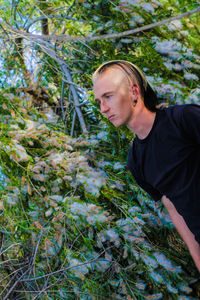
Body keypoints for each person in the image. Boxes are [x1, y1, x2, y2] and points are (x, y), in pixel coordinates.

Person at [92, 60, 200, 272]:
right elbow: (173, 208)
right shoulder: (136, 162)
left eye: (108, 96)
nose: (103, 108)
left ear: (134, 91)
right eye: (99, 101)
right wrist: (197, 258)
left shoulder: (184, 119)